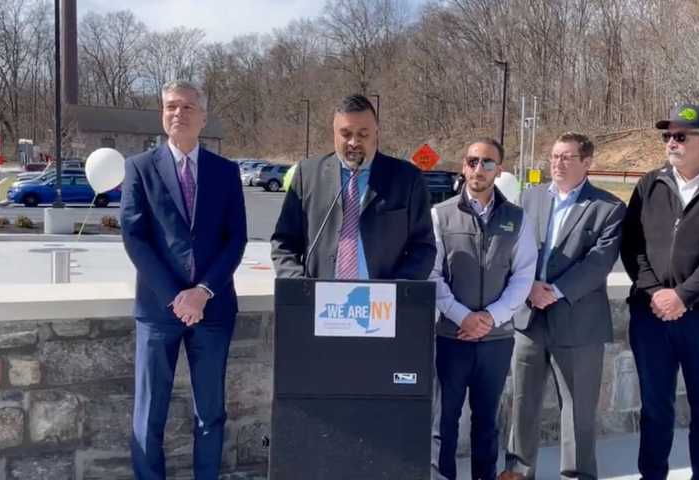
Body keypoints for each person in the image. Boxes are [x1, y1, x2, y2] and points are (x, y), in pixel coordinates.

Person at [120, 80, 247, 480]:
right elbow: (135, 237)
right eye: (171, 106)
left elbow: (236, 238)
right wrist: (178, 296)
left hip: (213, 310)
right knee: (149, 412)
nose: (179, 113)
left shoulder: (226, 172)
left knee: (210, 412)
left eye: (188, 107)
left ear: (203, 117)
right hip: (158, 312)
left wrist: (203, 291)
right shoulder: (139, 168)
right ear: (162, 113)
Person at [499, 132, 626, 480]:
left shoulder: (609, 208)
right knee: (523, 404)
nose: (558, 163)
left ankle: (577, 475)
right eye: (554, 156)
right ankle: (519, 472)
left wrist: (553, 291)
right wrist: (528, 287)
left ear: (587, 163)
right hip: (530, 321)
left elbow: (597, 265)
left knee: (578, 411)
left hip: (578, 324)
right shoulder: (530, 198)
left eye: (567, 157)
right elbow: (513, 249)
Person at [430, 138, 536, 480]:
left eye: (487, 163)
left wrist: (490, 318)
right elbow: (431, 275)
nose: (479, 169)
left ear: (499, 170)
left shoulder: (517, 219)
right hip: (451, 337)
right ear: (463, 166)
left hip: (496, 339)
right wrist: (463, 317)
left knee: (486, 423)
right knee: (442, 423)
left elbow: (523, 277)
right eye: (473, 161)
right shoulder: (441, 214)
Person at [271, 94, 435, 280]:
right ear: (334, 134)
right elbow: (284, 243)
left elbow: (423, 246)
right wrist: (297, 284)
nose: (354, 143)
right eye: (346, 134)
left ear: (376, 133)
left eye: (363, 134)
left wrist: (399, 288)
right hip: (321, 303)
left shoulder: (407, 178)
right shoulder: (307, 174)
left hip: (384, 303)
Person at [621, 104, 699, 480]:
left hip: (698, 317)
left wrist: (683, 296)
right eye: (667, 136)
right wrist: (655, 292)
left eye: (681, 136)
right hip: (650, 317)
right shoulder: (648, 184)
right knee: (655, 408)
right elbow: (631, 245)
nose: (671, 142)